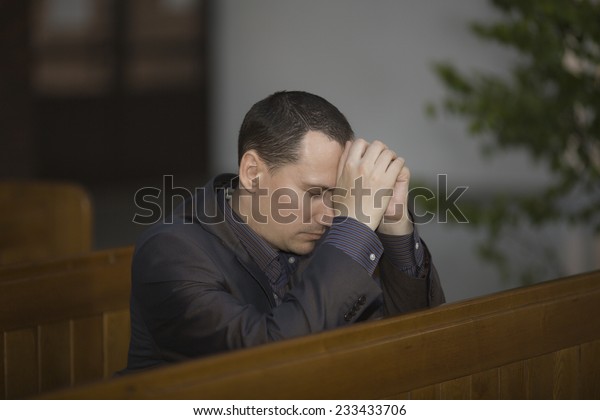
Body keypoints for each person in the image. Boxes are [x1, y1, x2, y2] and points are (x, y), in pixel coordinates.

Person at [124, 91, 445, 372]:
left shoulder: (326, 236)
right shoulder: (171, 252)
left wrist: (394, 226)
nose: (330, 214)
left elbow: (417, 348)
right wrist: (356, 225)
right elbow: (270, 359)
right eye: (314, 193)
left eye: (340, 195)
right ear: (253, 173)